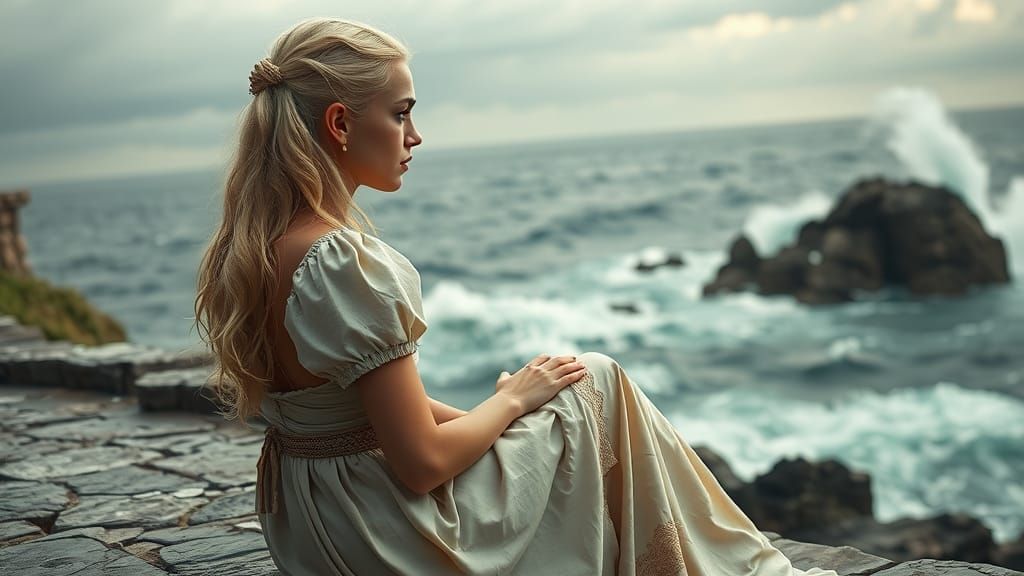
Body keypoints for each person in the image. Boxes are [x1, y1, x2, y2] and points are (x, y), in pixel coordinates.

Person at [193, 16, 841, 576]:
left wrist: (507, 407)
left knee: (563, 389)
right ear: (339, 123)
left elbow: (370, 414)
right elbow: (420, 464)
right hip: (386, 538)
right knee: (599, 381)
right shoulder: (341, 261)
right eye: (401, 113)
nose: (414, 136)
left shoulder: (255, 249)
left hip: (318, 525)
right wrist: (508, 401)